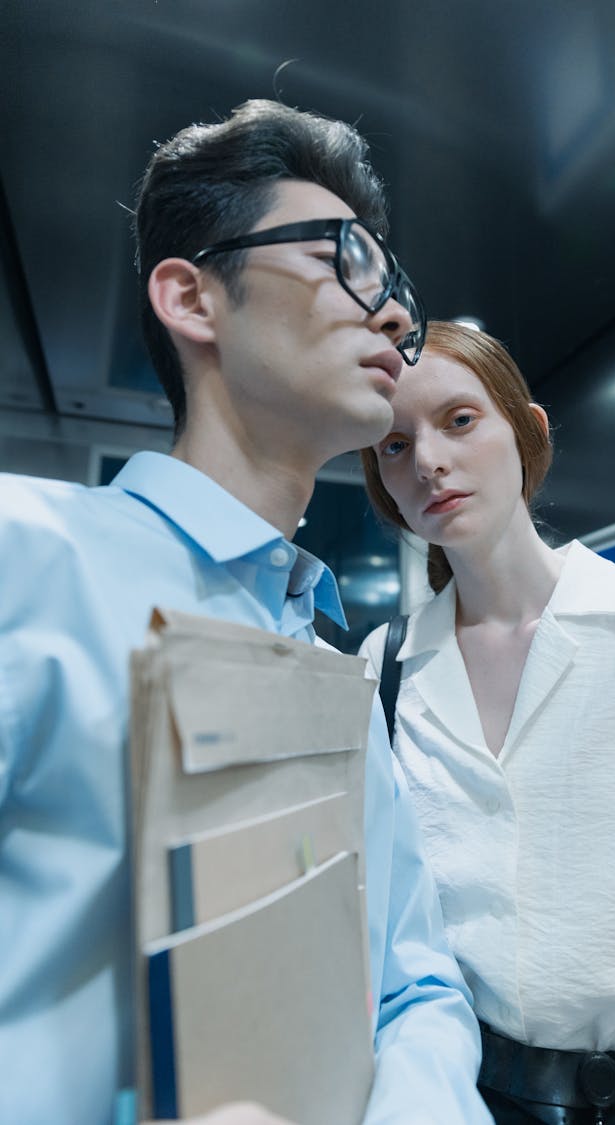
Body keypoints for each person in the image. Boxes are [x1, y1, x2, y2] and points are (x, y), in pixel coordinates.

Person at [0, 104, 493, 1125]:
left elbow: (417, 985)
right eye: (345, 257)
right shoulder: (23, 553)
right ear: (191, 298)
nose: (396, 318)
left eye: (395, 284)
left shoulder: (332, 670)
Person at [360, 320, 615, 1125]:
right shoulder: (385, 664)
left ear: (527, 432)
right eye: (394, 446)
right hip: (455, 1096)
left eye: (460, 420)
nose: (428, 459)